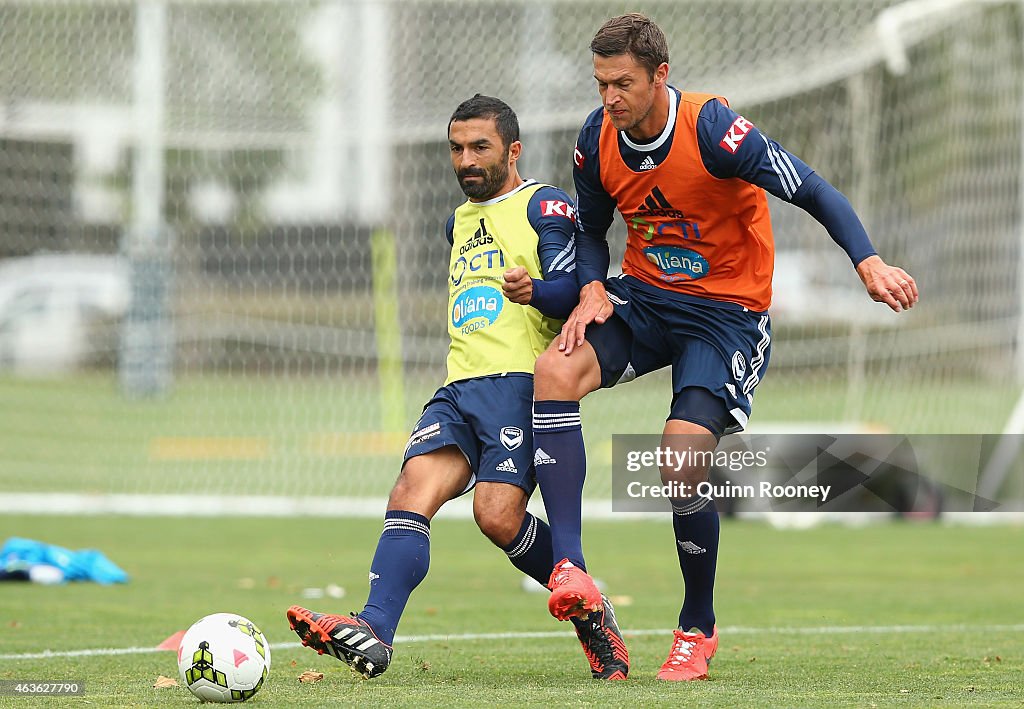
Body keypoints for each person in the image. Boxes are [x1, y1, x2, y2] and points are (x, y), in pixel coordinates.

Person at [532, 14, 919, 681]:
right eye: (601, 84)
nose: (610, 98)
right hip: (648, 298)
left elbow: (812, 188)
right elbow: (592, 230)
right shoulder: (596, 138)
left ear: (661, 74)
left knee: (680, 458)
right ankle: (570, 566)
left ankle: (697, 626)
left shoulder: (714, 130)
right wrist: (592, 285)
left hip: (726, 313)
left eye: (622, 83)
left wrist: (868, 262)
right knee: (554, 368)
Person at [286, 95, 630, 681]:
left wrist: (535, 292)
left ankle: (591, 613)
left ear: (513, 150)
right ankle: (373, 630)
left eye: (480, 148)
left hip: (519, 384)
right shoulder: (458, 221)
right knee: (409, 492)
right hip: (458, 387)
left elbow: (576, 291)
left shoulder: (543, 204)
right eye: (456, 148)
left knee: (496, 515)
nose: (465, 160)